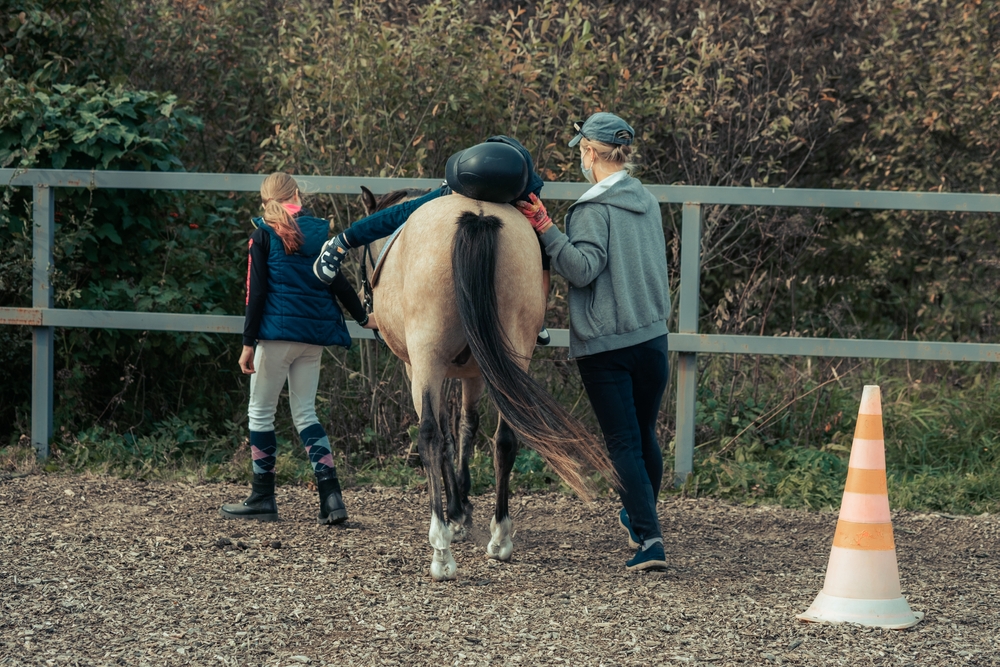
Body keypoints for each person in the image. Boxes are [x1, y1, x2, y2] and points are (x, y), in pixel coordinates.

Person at [515, 112, 671, 571]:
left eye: (579, 151)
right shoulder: (647, 199)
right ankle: (639, 517)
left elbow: (582, 269)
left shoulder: (590, 210)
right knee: (644, 436)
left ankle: (650, 542)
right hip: (653, 338)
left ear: (588, 151)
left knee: (622, 442)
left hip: (608, 344)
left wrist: (546, 229)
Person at [220, 172, 377, 524]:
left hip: (275, 337)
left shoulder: (262, 235)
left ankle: (262, 497)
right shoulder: (319, 234)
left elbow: (255, 294)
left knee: (261, 412)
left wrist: (248, 344)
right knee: (306, 413)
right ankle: (332, 499)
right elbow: (338, 282)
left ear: (266, 201)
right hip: (311, 339)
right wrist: (363, 318)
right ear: (296, 194)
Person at [311, 135, 553, 345]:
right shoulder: (528, 185)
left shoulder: (475, 169)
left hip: (472, 177)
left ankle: (340, 243)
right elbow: (542, 261)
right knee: (538, 248)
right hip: (514, 187)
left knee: (403, 212)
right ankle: (537, 317)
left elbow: (396, 215)